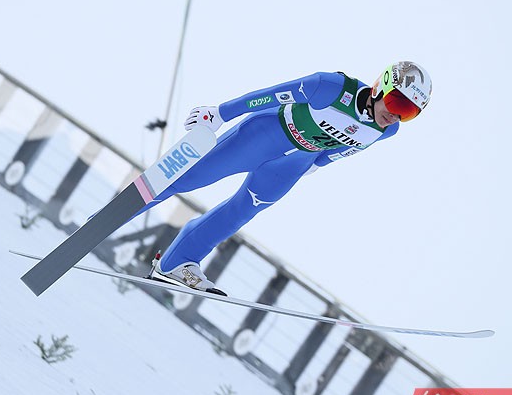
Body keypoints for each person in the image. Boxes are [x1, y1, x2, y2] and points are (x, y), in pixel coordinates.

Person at [141, 61, 432, 295]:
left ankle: (176, 264)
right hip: (264, 136)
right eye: (397, 104)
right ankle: (116, 212)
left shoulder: (386, 131)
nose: (396, 116)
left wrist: (317, 163)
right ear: (381, 87)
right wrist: (221, 113)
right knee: (185, 179)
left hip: (292, 165)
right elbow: (271, 95)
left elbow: (344, 150)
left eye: (409, 113)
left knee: (240, 212)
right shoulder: (331, 87)